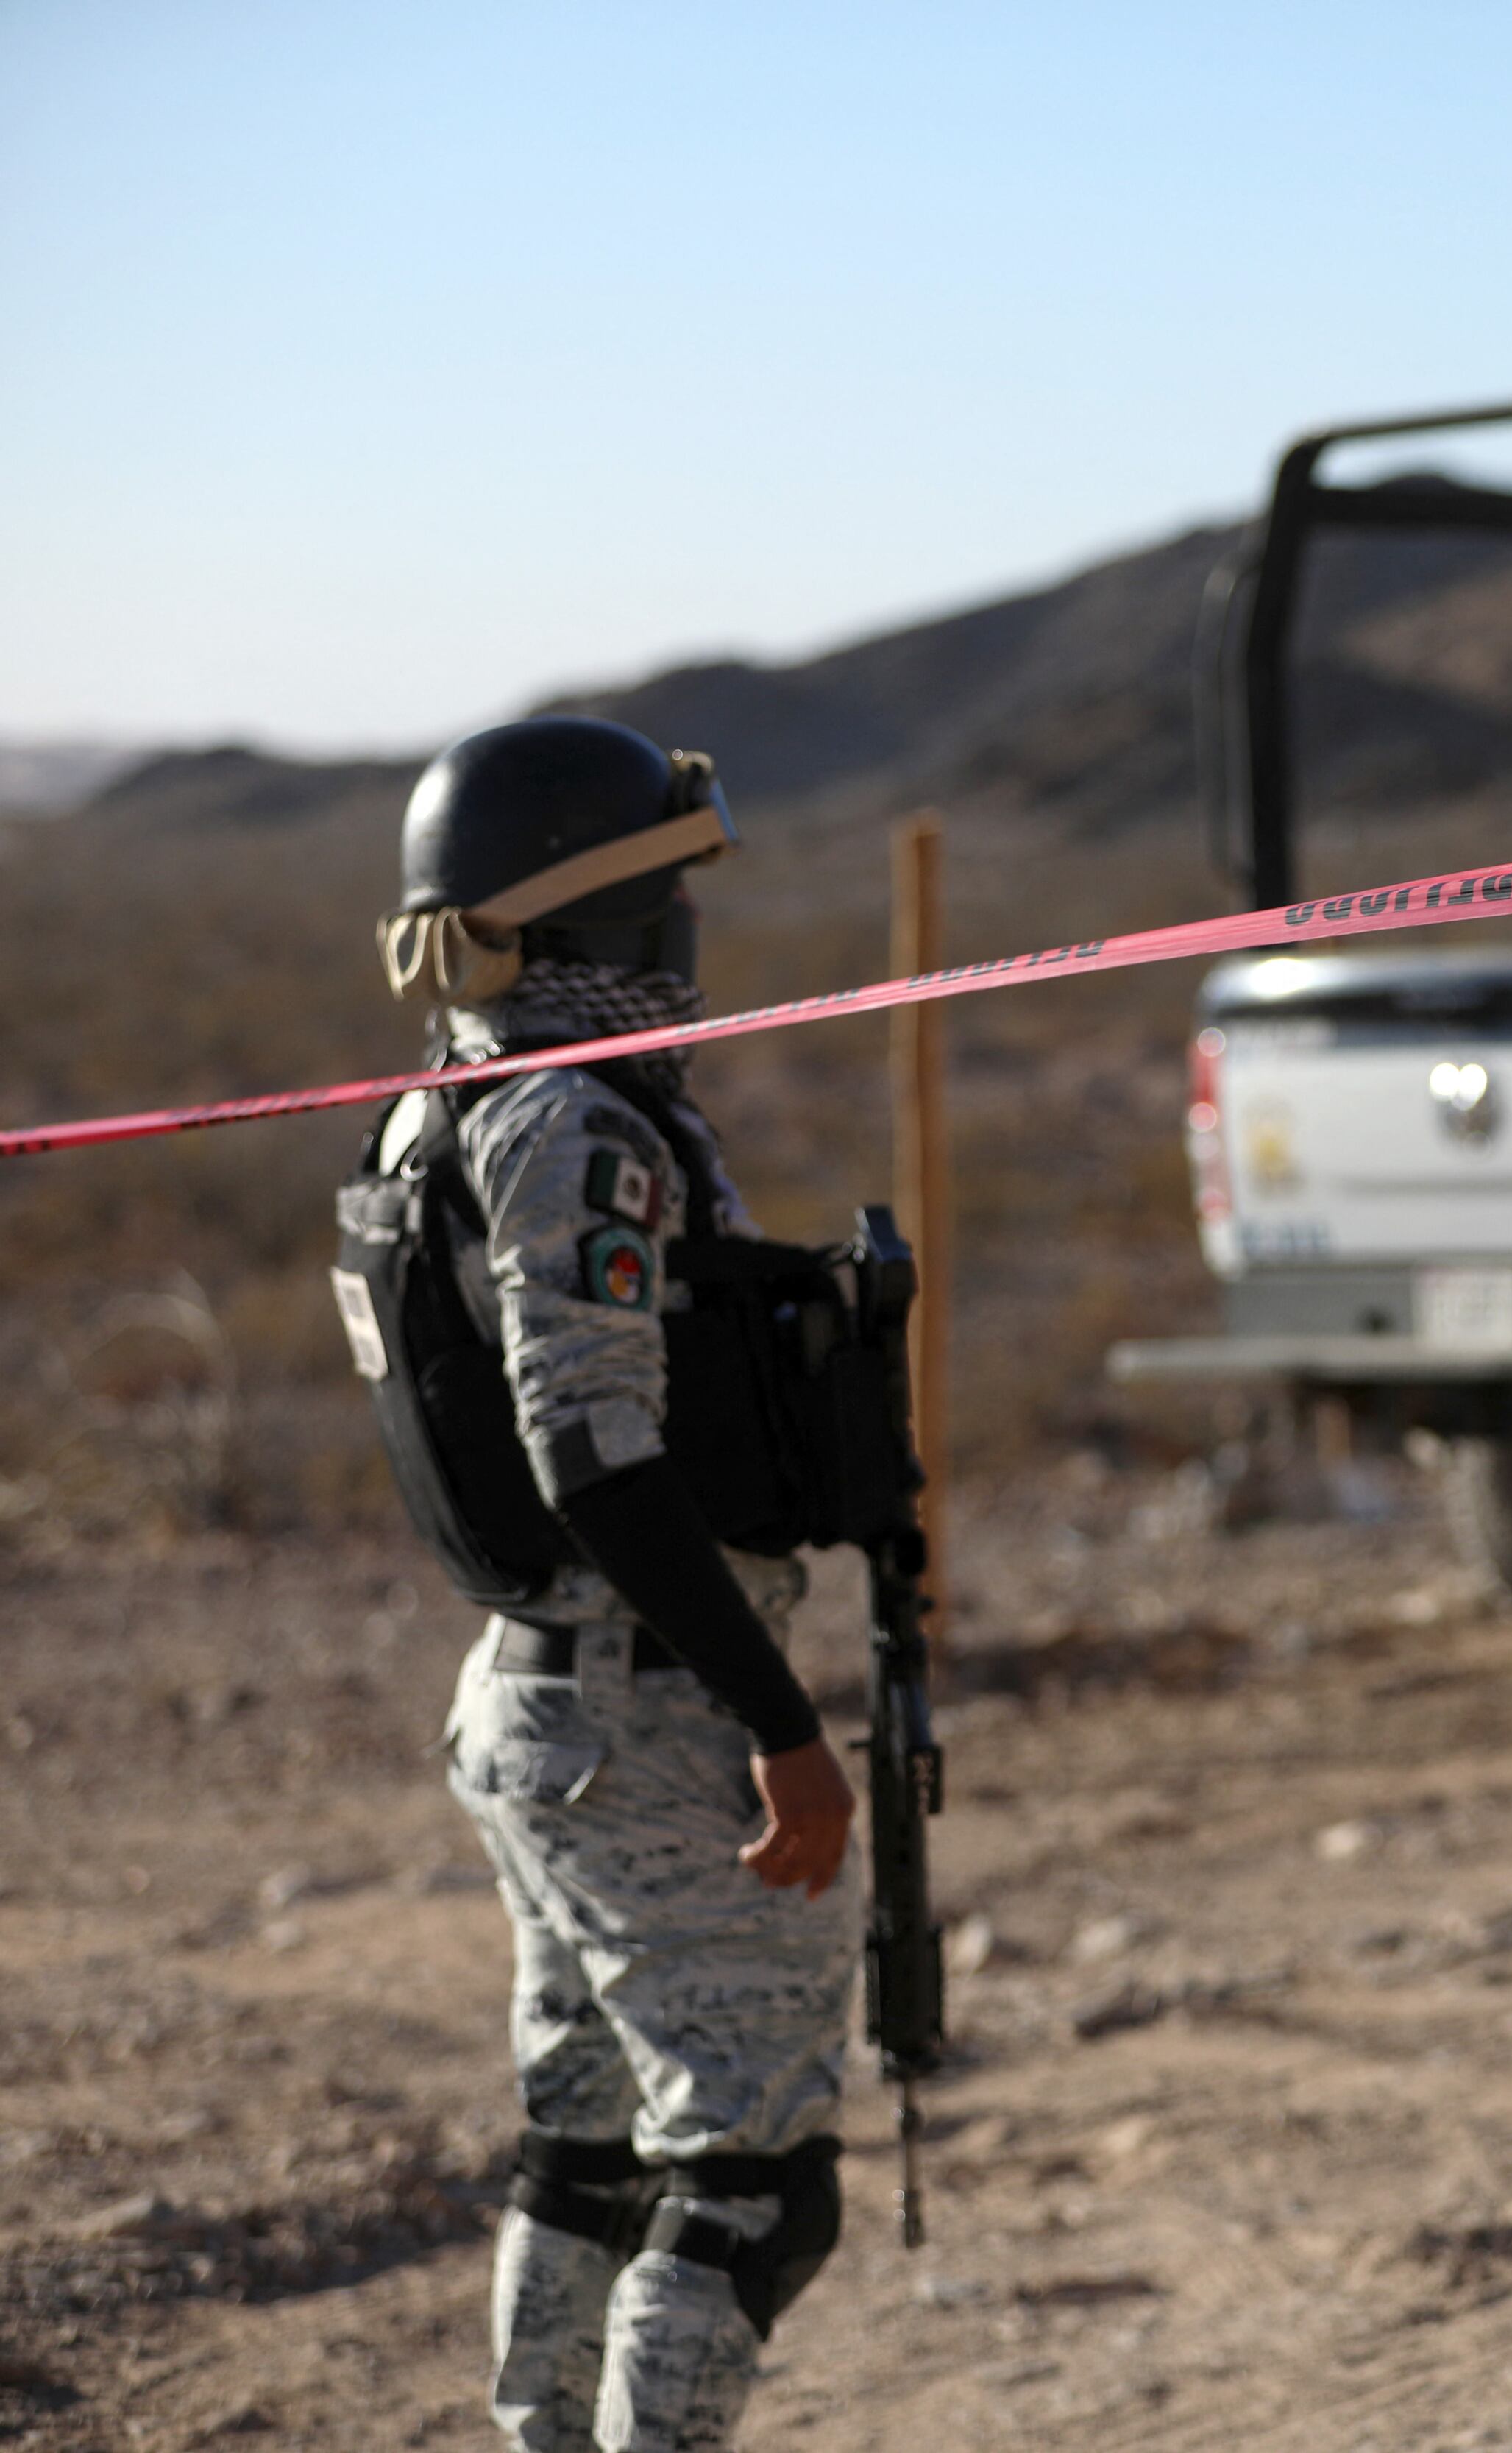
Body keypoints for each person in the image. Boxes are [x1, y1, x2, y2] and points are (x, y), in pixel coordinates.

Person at [333, 717, 856, 2451]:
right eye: (667, 898)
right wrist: (780, 1722)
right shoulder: (570, 1121)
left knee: (591, 2146)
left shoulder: (445, 1099)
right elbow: (597, 1454)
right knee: (747, 2188)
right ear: (596, 922)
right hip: (640, 1712)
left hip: (544, 1697)